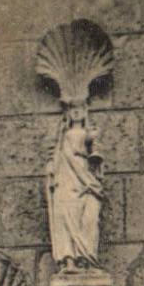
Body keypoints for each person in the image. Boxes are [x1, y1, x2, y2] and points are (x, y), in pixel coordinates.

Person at [45, 108, 104, 271]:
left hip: (84, 176)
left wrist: (93, 138)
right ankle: (69, 259)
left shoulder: (89, 134)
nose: (76, 112)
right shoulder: (61, 135)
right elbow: (55, 154)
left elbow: (96, 160)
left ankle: (86, 259)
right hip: (65, 178)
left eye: (80, 108)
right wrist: (52, 168)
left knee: (89, 218)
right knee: (64, 215)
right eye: (72, 108)